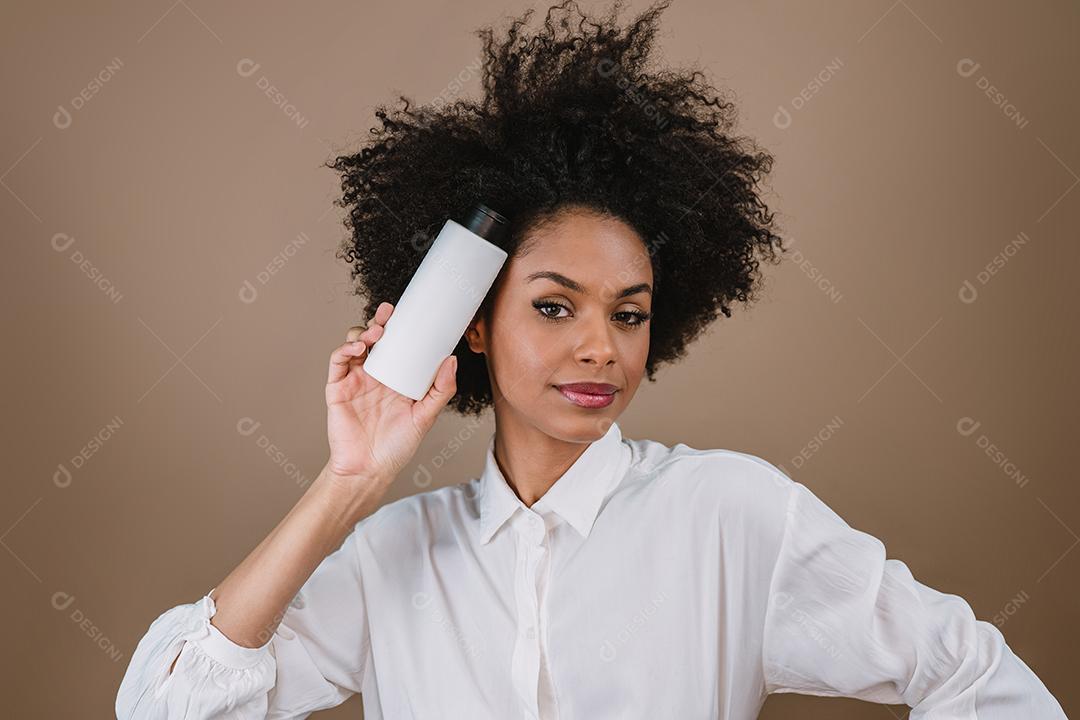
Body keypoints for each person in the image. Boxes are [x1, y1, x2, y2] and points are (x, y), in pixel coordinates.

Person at [115, 1, 1067, 718]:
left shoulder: (731, 515)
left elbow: (979, 678)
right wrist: (348, 483)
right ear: (474, 325)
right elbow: (163, 709)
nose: (599, 348)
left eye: (631, 313)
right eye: (554, 306)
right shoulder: (391, 556)